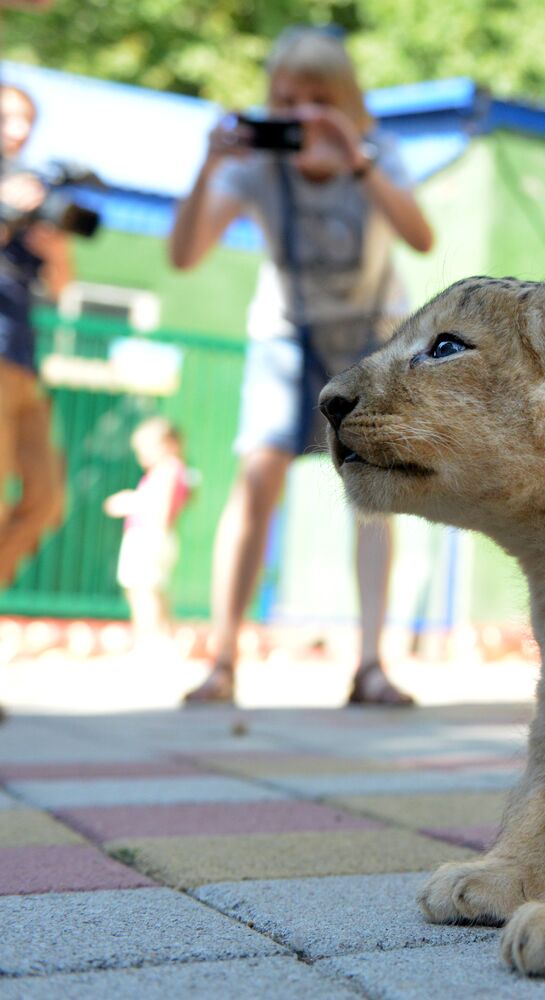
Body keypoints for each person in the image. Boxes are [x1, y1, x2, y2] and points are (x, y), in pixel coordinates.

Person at [168, 27, 433, 705]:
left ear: (346, 102)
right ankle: (222, 660)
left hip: (369, 340)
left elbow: (420, 236)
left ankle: (371, 664)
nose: (302, 113)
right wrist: (207, 166)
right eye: (287, 98)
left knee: (372, 497)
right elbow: (185, 254)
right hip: (285, 337)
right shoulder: (257, 165)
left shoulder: (378, 154)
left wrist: (359, 163)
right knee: (256, 478)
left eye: (319, 98)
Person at [0, 83, 72, 589]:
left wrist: (55, 245)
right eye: (7, 118)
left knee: (46, 499)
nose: (19, 130)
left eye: (27, 120)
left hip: (23, 362)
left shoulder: (30, 190)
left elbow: (63, 288)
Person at [104, 417, 190, 646]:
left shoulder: (168, 469)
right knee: (151, 589)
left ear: (169, 444)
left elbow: (160, 505)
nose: (141, 455)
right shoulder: (171, 471)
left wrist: (130, 501)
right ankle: (160, 638)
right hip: (153, 536)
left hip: (149, 536)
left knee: (144, 591)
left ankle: (150, 639)